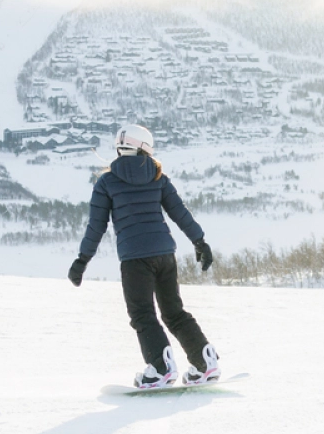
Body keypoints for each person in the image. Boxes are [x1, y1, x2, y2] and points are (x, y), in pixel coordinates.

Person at [69, 124, 221, 389]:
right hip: (165, 255)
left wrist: (82, 260)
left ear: (120, 147)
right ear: (146, 148)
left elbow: (96, 227)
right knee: (174, 312)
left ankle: (161, 368)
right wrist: (200, 242)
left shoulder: (107, 182)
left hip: (135, 259)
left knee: (142, 315)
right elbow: (179, 212)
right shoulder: (158, 178)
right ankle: (204, 361)